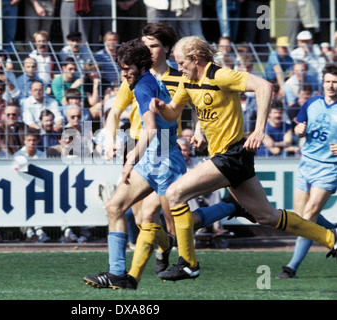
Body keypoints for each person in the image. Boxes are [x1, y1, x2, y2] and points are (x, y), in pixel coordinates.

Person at [149, 36, 337, 281]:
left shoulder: (221, 76)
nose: (179, 67)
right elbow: (174, 111)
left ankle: (188, 263)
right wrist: (160, 106)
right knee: (267, 216)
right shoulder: (187, 81)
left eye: (182, 62)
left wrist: (259, 129)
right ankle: (331, 238)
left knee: (174, 193)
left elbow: (264, 86)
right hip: (229, 158)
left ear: (196, 59)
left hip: (233, 155)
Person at [83, 37, 251, 290]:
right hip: (153, 159)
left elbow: (150, 129)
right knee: (114, 206)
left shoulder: (142, 87)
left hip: (164, 160)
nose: (123, 72)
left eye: (127, 68)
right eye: (122, 67)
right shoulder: (146, 81)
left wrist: (130, 159)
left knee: (176, 226)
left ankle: (230, 207)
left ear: (140, 65)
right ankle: (116, 273)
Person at [275, 63, 337, 279]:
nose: (331, 85)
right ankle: (333, 233)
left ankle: (291, 267)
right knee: (300, 218)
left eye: (335, 82)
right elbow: (299, 127)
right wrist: (299, 130)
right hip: (306, 164)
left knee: (309, 216)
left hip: (329, 168)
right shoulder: (311, 103)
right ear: (323, 82)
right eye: (328, 81)